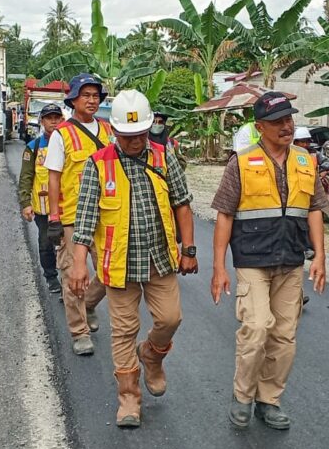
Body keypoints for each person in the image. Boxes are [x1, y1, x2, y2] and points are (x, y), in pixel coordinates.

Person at [69, 90, 198, 427]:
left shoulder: (162, 155)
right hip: (119, 264)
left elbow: (182, 202)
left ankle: (152, 356)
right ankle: (128, 398)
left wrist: (189, 249)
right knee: (124, 332)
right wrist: (80, 263)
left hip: (160, 259)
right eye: (127, 137)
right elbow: (84, 221)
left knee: (171, 319)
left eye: (140, 134)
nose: (134, 141)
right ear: (114, 133)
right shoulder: (98, 164)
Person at [211, 91, 326, 431]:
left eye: (289, 119)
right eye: (277, 122)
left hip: (291, 261)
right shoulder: (241, 163)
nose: (286, 126)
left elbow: (316, 209)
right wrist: (219, 267)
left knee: (284, 337)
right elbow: (224, 216)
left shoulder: (306, 161)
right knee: (257, 327)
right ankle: (243, 395)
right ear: (260, 127)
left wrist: (319, 255)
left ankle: (269, 399)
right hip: (252, 260)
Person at [46, 74, 112, 355]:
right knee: (73, 276)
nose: (92, 100)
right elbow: (53, 178)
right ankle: (79, 331)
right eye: (85, 95)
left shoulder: (109, 131)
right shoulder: (62, 134)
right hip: (73, 217)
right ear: (73, 99)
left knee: (111, 272)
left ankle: (90, 303)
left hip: (108, 214)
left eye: (95, 95)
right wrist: (53, 218)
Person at [19, 102, 65, 293]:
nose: (53, 122)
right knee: (46, 242)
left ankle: (68, 282)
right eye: (49, 118)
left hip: (66, 204)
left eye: (57, 118)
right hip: (43, 206)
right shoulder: (33, 147)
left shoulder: (66, 142)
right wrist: (25, 203)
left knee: (68, 245)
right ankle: (51, 277)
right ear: (42, 121)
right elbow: (26, 176)